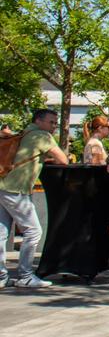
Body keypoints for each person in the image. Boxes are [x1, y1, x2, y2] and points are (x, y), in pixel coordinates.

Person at [0, 108, 68, 289]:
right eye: (51, 122)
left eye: (56, 122)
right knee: (34, 231)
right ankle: (26, 275)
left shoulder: (24, 133)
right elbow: (64, 160)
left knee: (2, 234)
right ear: (39, 121)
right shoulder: (42, 136)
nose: (54, 126)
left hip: (3, 185)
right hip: (17, 189)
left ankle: (1, 276)